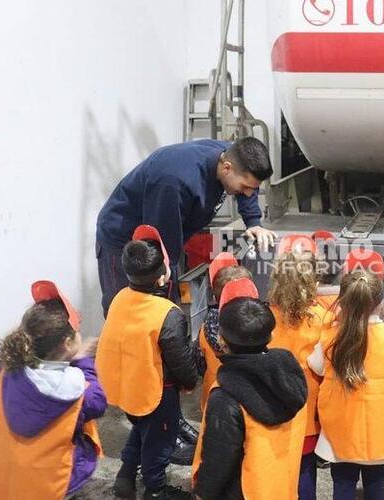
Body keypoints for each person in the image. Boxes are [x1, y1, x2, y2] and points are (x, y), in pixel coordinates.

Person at [95, 137, 274, 459]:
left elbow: (251, 183)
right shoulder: (174, 181)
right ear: (227, 167)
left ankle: (171, 418)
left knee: (167, 328)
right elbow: (161, 245)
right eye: (244, 187)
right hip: (129, 244)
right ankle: (149, 421)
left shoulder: (230, 155)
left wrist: (254, 222)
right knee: (139, 332)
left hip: (159, 244)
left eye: (252, 189)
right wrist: (164, 286)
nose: (247, 193)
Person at [95, 225, 198, 500]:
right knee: (160, 440)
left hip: (126, 387)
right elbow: (179, 357)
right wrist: (189, 383)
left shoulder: (120, 298)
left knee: (141, 429)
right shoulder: (168, 313)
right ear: (163, 278)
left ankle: (126, 473)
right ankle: (155, 489)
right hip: (156, 391)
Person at [0, 281, 105, 500]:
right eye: (77, 331)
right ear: (67, 343)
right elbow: (98, 401)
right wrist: (83, 360)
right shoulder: (73, 388)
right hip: (46, 487)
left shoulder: (2, 371)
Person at [307, 269, 384, 500]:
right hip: (383, 431)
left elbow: (315, 366)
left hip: (340, 431)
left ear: (342, 302)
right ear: (380, 302)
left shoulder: (332, 338)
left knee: (342, 486)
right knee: (376, 488)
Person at [192, 296, 308, 500]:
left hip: (243, 491)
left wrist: (203, 492)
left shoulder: (225, 396)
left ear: (221, 341)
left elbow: (219, 457)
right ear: (271, 336)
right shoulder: (291, 376)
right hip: (280, 486)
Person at [268, 234, 329, 500]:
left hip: (272, 407)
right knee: (305, 471)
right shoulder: (322, 318)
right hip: (308, 413)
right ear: (312, 282)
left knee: (277, 468)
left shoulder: (266, 316)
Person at [194, 252, 253, 414]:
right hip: (248, 401)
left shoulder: (205, 327)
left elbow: (200, 364)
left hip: (214, 397)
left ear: (215, 296)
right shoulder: (259, 330)